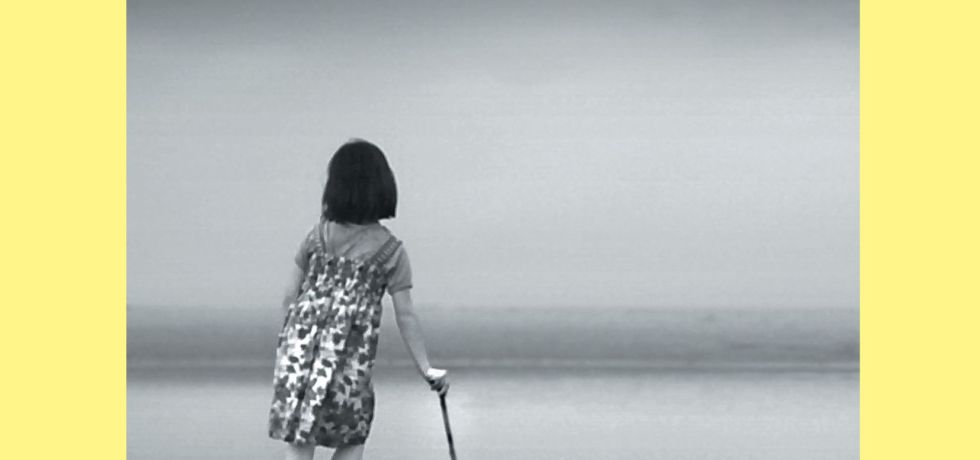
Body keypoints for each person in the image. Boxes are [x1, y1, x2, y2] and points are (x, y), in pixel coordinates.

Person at [268, 139, 449, 460]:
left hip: (299, 353)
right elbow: (405, 315)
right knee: (353, 436)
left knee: (300, 437)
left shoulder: (317, 236)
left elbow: (289, 297)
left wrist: (287, 346)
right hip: (348, 359)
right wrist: (426, 369)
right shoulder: (390, 251)